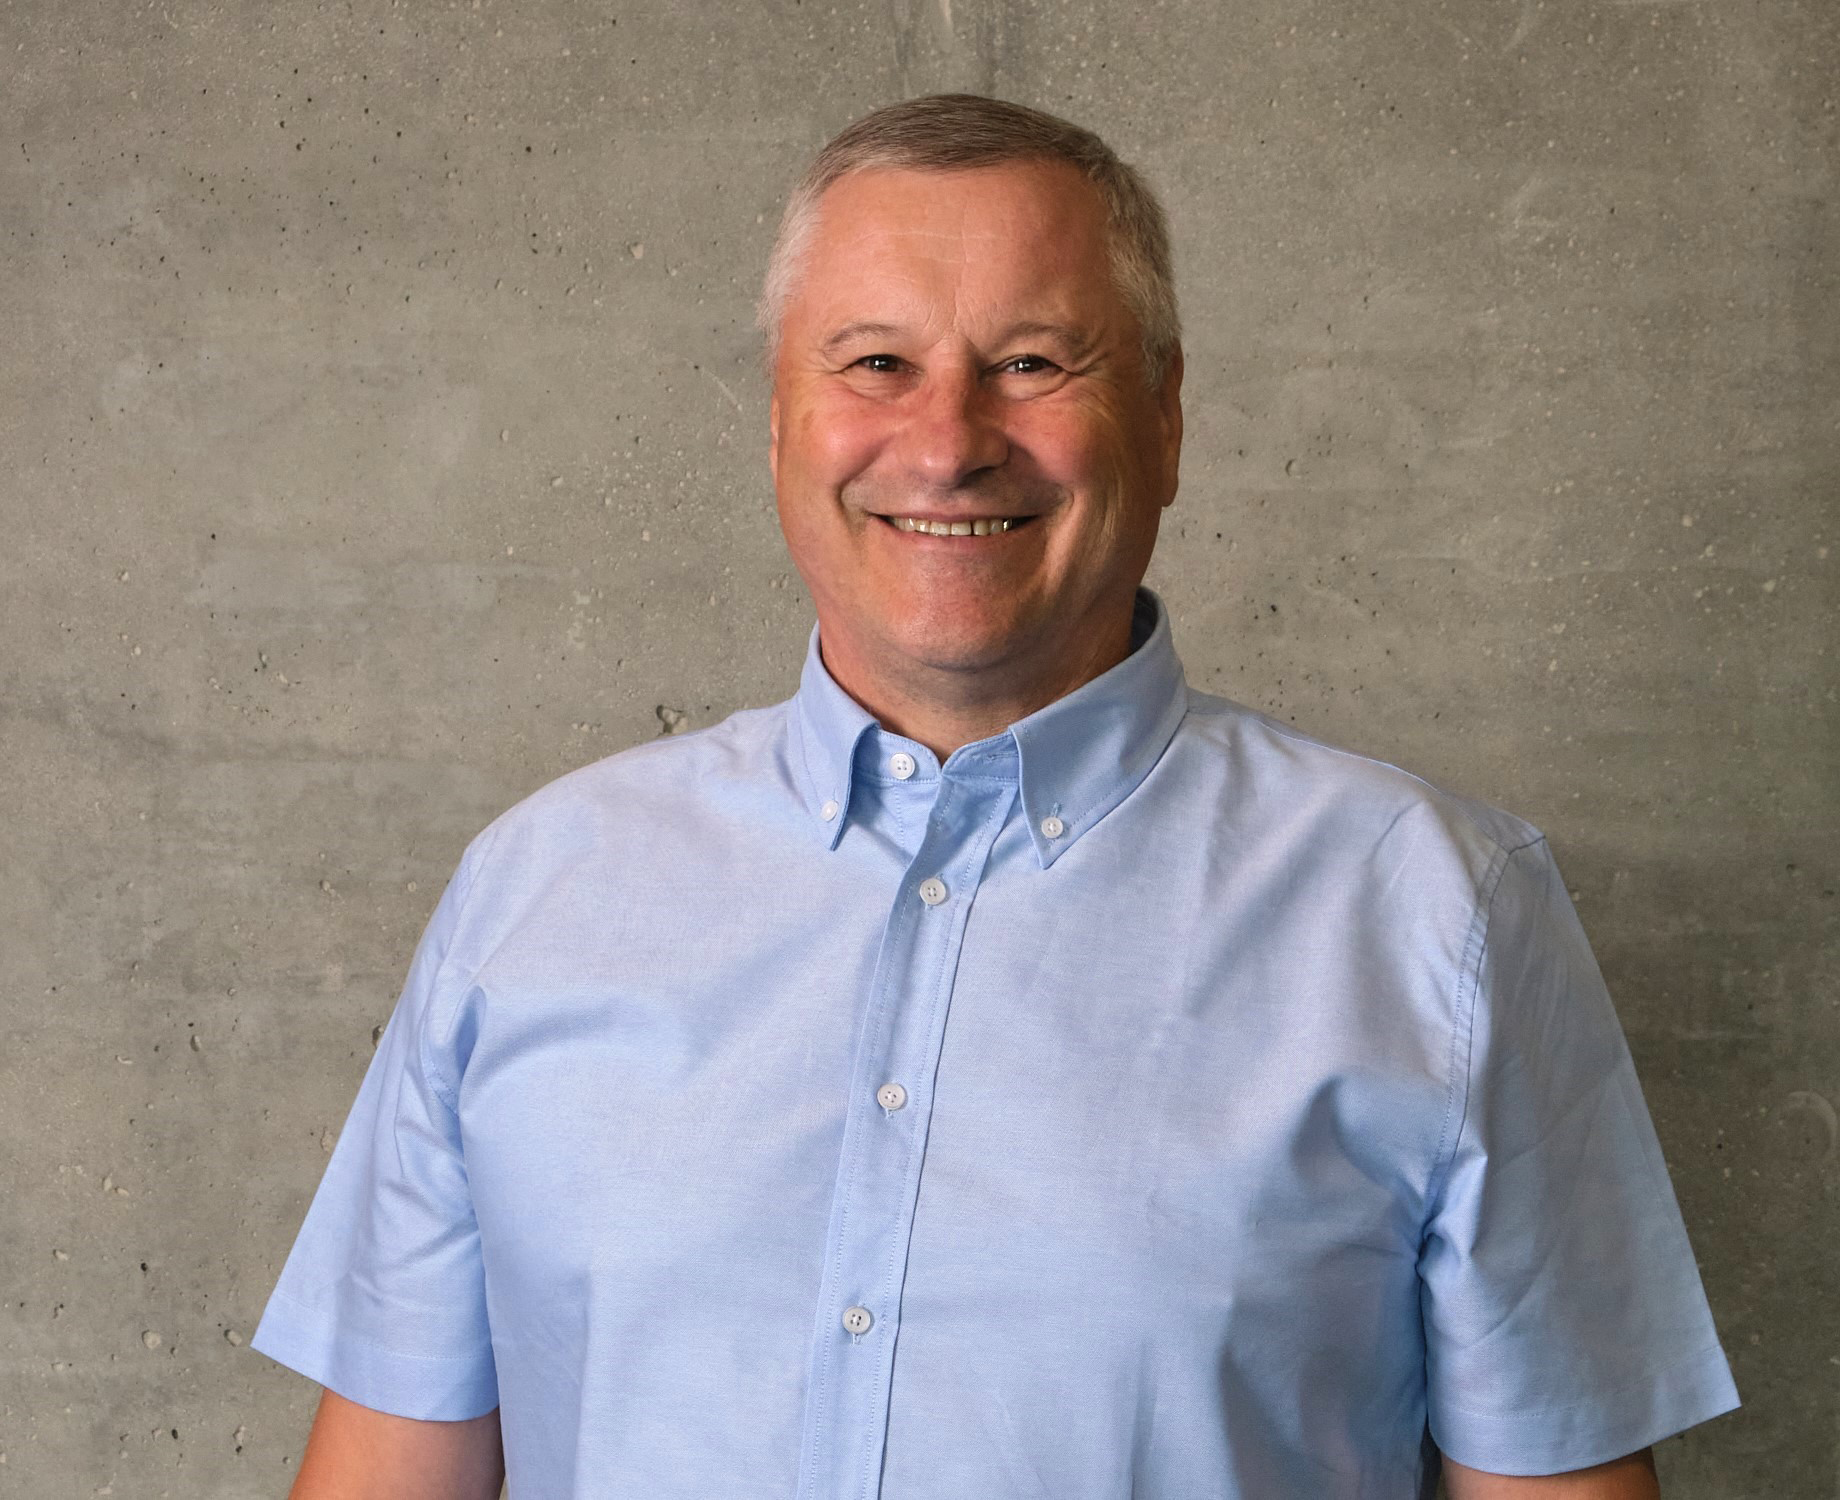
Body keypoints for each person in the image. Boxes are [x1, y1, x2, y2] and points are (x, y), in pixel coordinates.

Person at [252, 94, 1739, 1499]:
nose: (949, 441)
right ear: (778, 420)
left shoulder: (1438, 916)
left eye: (1032, 362)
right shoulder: (537, 894)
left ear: (1165, 417)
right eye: (874, 364)